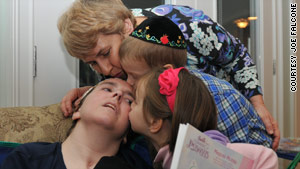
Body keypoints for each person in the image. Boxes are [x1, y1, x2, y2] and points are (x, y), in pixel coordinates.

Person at [57, 0, 279, 150]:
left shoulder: (187, 24)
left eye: (105, 54)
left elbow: (237, 56)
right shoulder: (113, 60)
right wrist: (89, 92)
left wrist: (257, 102)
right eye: (92, 63)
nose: (104, 69)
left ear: (126, 26)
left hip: (225, 119)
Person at [118, 16, 272, 148]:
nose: (129, 82)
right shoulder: (159, 100)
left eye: (135, 76)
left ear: (165, 72)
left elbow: (236, 154)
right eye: (127, 74)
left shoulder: (214, 97)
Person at [129, 66, 278, 169]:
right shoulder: (167, 156)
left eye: (135, 101)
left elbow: (266, 156)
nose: (130, 105)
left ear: (155, 122)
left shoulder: (208, 154)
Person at [0, 78, 152, 169]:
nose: (117, 94)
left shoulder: (136, 166)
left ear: (127, 131)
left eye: (129, 100)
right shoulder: (28, 158)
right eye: (107, 89)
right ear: (77, 109)